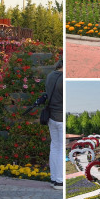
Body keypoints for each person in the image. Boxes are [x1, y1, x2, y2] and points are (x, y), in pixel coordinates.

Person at [44, 59, 63, 189]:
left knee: (54, 147)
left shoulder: (50, 76)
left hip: (51, 116)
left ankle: (54, 178)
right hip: (61, 117)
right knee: (61, 149)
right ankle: (60, 180)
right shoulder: (63, 79)